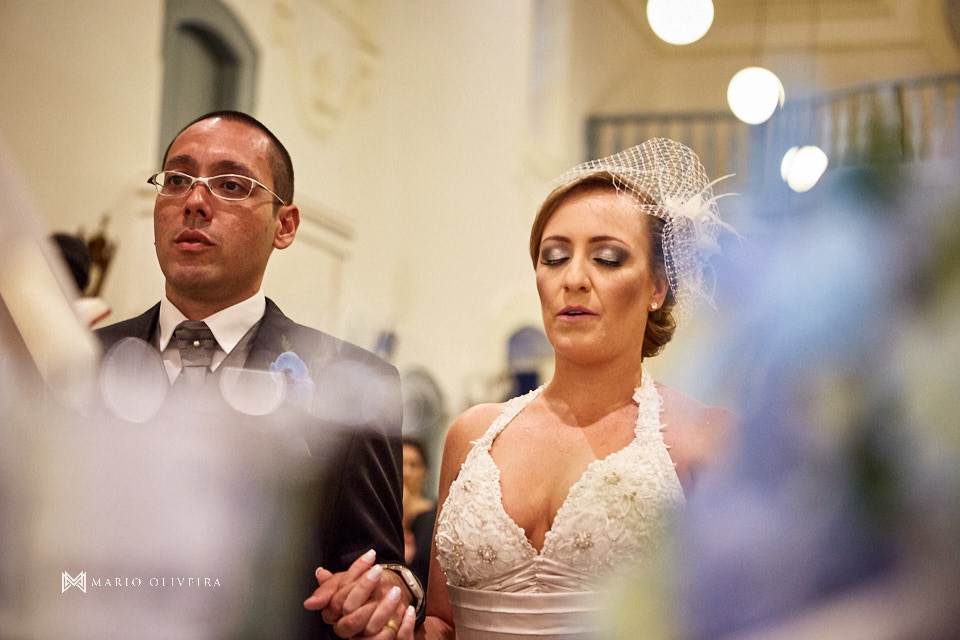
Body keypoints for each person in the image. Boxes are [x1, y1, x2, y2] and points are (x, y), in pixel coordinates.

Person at [94, 110, 420, 639]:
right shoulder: (83, 362)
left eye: (230, 184)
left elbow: (376, 566)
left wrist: (385, 593)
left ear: (284, 226)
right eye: (177, 180)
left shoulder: (352, 381)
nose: (195, 202)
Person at [410, 138, 737, 638]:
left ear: (657, 287)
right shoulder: (472, 435)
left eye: (607, 258)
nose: (574, 279)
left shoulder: (699, 438)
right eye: (554, 257)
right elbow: (440, 621)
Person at [402, 437, 438, 588]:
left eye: (414, 465)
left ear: (425, 472)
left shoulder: (436, 515)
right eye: (400, 463)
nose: (406, 472)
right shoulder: (378, 515)